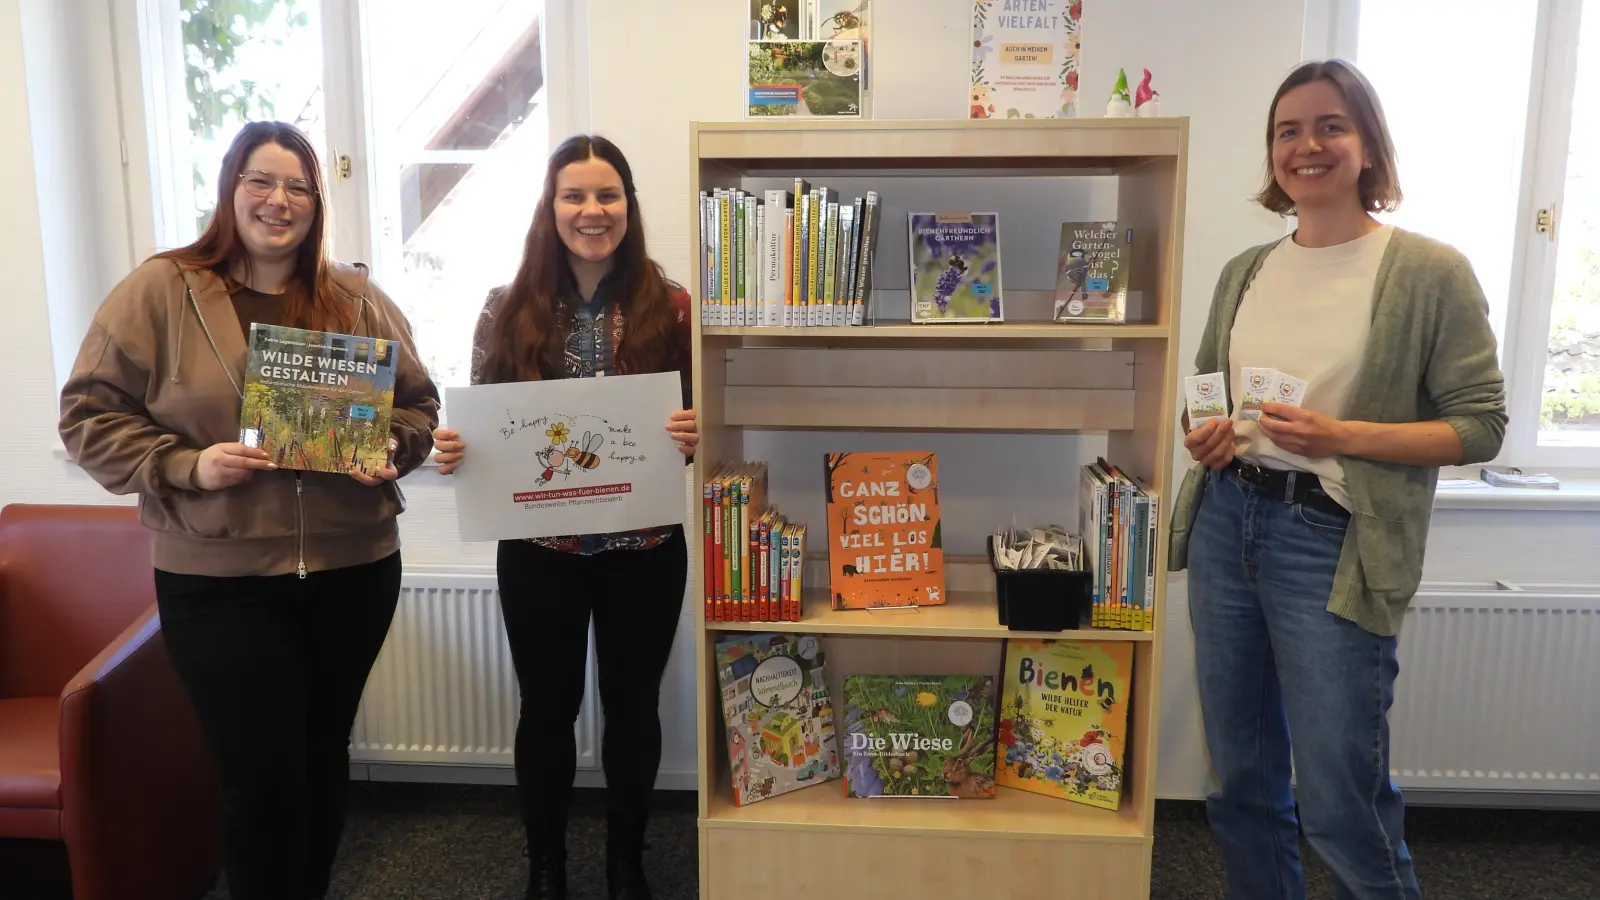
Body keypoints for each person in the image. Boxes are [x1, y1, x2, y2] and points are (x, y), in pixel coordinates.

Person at [58, 121, 441, 900]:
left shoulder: (357, 298)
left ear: (317, 202)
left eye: (298, 186)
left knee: (322, 757)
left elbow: (419, 408)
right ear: (230, 190)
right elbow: (88, 416)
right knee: (259, 780)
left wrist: (392, 451)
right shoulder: (159, 290)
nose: (279, 200)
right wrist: (186, 464)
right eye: (261, 181)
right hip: (218, 577)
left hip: (352, 568)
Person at [1168, 60, 1507, 900]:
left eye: (1330, 126)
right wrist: (1202, 436)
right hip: (1227, 524)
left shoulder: (1428, 272)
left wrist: (1341, 434)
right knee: (1240, 785)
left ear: (1367, 147)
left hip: (1331, 541)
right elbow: (1207, 389)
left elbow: (1480, 426)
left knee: (1339, 800)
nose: (1306, 146)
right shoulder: (1246, 270)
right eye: (1288, 131)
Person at [431, 134, 697, 900]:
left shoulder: (671, 307)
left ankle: (628, 861)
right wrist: (455, 449)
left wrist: (695, 430)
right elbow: (481, 424)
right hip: (538, 549)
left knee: (633, 707)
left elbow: (698, 424)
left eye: (607, 195)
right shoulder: (506, 309)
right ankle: (545, 867)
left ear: (628, 206)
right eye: (574, 196)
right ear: (550, 209)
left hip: (644, 546)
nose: (591, 210)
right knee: (546, 710)